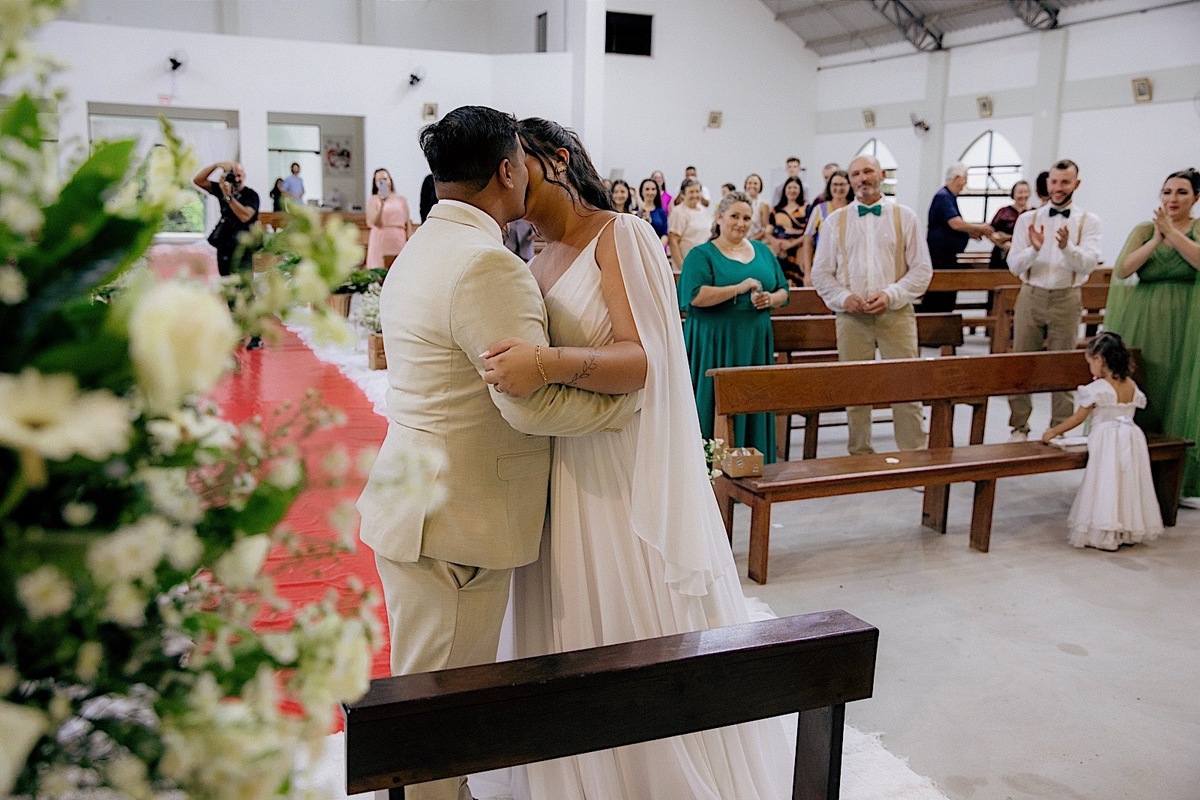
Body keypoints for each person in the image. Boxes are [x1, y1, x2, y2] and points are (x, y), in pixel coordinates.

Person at [480, 116, 794, 800]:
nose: (508, 182)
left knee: (625, 620)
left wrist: (546, 362)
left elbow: (643, 360)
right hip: (558, 468)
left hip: (618, 472)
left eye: (518, 165)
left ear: (556, 159)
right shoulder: (528, 256)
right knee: (566, 626)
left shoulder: (621, 235)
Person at [355, 106, 637, 800]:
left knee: (427, 697)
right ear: (507, 170)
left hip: (417, 499)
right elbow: (527, 401)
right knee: (442, 715)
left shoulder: (421, 245)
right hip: (456, 519)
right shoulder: (488, 264)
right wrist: (623, 406)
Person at [811, 154, 932, 456]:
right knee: (856, 388)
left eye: (868, 172)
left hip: (896, 313)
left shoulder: (905, 217)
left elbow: (921, 269)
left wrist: (891, 295)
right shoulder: (833, 222)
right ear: (849, 180)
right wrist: (843, 297)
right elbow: (821, 272)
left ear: (881, 175)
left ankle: (913, 454)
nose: (862, 178)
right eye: (855, 174)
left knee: (906, 385)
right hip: (851, 316)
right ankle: (860, 455)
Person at [1104, 168, 1200, 499]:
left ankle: (1176, 480)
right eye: (1167, 191)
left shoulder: (1198, 229)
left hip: (1187, 320)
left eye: (1182, 192)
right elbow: (1124, 268)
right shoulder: (1144, 229)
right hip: (1144, 316)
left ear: (1196, 198)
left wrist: (1173, 234)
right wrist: (1157, 238)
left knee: (1179, 390)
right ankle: (1131, 475)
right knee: (1146, 385)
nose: (1172, 199)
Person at [678, 191, 789, 462]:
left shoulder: (762, 251)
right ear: (719, 218)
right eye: (734, 216)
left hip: (753, 341)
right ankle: (708, 470)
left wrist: (770, 299)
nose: (740, 223)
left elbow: (784, 290)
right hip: (714, 340)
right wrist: (737, 289)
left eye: (746, 218)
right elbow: (694, 296)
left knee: (752, 400)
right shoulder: (701, 254)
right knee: (711, 405)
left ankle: (750, 465)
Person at [1006, 159, 1101, 442]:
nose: (1058, 188)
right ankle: (1018, 426)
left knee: (1064, 365)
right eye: (1054, 182)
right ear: (1047, 183)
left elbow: (1088, 264)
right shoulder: (1028, 220)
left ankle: (1061, 427)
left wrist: (1066, 247)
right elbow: (1014, 265)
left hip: (1067, 297)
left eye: (1065, 182)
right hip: (1031, 294)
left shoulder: (1088, 221)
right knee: (1021, 362)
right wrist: (1034, 250)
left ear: (1076, 184)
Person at [1041, 332, 1163, 550]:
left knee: (1105, 481)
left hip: (1107, 440)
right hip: (1132, 437)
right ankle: (1125, 529)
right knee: (1126, 483)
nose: (1090, 369)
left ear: (1099, 359)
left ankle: (1104, 532)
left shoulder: (1096, 389)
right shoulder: (1131, 386)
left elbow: (1078, 417)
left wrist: (1053, 431)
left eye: (1090, 363)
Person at [920, 163, 994, 313]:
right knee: (939, 298)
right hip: (940, 258)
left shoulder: (949, 197)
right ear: (957, 178)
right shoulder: (943, 197)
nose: (965, 183)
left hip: (947, 257)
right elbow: (955, 223)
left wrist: (968, 234)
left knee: (947, 296)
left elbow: (949, 227)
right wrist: (981, 228)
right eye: (965, 178)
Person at [192, 160, 260, 277]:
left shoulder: (251, 195)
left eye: (239, 175)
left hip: (242, 246)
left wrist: (228, 197)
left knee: (244, 283)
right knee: (225, 280)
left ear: (244, 176)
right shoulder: (222, 189)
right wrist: (216, 165)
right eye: (233, 175)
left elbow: (245, 216)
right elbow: (198, 181)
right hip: (225, 243)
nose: (236, 179)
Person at [800, 168, 853, 279]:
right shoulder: (819, 209)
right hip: (824, 264)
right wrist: (808, 273)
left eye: (842, 184)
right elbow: (808, 239)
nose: (838, 188)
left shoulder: (854, 209)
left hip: (850, 266)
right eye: (835, 185)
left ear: (849, 186)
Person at [365, 167, 411, 269]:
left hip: (398, 238)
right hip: (380, 238)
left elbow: (407, 222)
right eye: (379, 180)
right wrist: (382, 204)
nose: (383, 183)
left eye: (385, 179)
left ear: (390, 180)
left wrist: (409, 241)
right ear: (375, 183)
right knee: (380, 268)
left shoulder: (401, 200)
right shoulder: (373, 200)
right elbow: (375, 222)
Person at [770, 176, 807, 286]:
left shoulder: (806, 207)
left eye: (795, 187)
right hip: (781, 250)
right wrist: (776, 242)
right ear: (784, 190)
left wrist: (791, 244)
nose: (792, 190)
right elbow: (768, 231)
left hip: (800, 249)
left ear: (800, 190)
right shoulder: (776, 210)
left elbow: (809, 232)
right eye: (789, 187)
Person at [666, 178, 710, 270]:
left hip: (704, 262)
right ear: (683, 194)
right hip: (688, 263)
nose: (695, 195)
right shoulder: (679, 212)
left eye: (697, 191)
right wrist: (682, 266)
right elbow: (673, 241)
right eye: (691, 192)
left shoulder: (703, 210)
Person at [987, 180, 1032, 269]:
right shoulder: (1003, 211)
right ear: (1013, 194)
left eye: (1026, 192)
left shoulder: (1033, 213)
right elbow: (990, 232)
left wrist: (1009, 239)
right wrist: (1004, 245)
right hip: (1001, 255)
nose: (1023, 195)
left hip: (1025, 255)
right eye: (1020, 192)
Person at [636, 177, 668, 244]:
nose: (650, 192)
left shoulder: (661, 211)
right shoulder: (637, 211)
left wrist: (659, 247)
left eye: (653, 189)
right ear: (641, 191)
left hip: (658, 247)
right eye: (647, 189)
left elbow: (665, 233)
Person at [743, 173, 772, 241]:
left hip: (755, 240)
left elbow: (766, 228)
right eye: (749, 183)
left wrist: (752, 240)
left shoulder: (763, 205)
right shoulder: (740, 202)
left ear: (760, 187)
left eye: (755, 183)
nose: (752, 186)